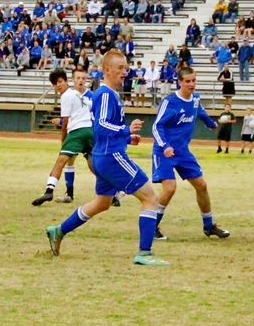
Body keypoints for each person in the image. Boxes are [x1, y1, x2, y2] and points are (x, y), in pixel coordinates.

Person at [45, 50, 169, 266]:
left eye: (126, 67)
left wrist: (127, 138)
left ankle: (59, 230)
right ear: (107, 70)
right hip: (112, 157)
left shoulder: (109, 94)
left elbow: (104, 129)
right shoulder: (105, 94)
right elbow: (101, 126)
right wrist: (125, 130)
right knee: (151, 198)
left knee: (101, 203)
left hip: (103, 156)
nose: (125, 71)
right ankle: (145, 252)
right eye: (120, 68)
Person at [152, 66, 230, 241]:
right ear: (179, 82)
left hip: (183, 152)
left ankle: (209, 226)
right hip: (164, 152)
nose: (192, 84)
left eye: (194, 80)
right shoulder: (169, 102)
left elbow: (199, 111)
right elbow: (156, 126)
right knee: (170, 188)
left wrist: (210, 124)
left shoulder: (195, 99)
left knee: (201, 185)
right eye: (188, 81)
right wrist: (165, 146)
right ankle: (151, 226)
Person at [32, 69, 94, 206]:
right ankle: (113, 191)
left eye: (60, 81)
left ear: (66, 81)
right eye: (55, 83)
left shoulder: (66, 96)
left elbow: (65, 121)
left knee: (60, 161)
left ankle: (49, 191)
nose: (58, 85)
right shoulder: (78, 95)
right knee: (93, 165)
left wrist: (63, 139)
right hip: (90, 131)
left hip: (77, 132)